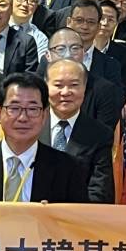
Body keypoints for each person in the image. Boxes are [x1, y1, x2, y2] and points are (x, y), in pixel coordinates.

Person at [0, 72, 89, 204]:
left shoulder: (68, 169)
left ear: (44, 115)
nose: (23, 118)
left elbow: (78, 220)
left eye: (32, 109)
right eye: (14, 108)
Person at [45, 60, 115, 203]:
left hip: (79, 212)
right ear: (46, 86)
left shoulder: (100, 135)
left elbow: (100, 192)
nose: (65, 92)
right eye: (58, 85)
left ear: (85, 88)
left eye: (74, 85)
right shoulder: (30, 126)